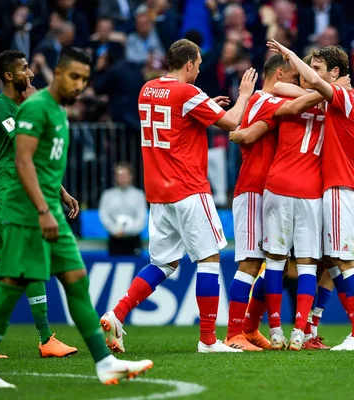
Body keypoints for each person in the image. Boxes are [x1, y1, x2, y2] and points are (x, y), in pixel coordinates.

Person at [0, 47, 153, 388]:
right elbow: (23, 162)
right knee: (11, 282)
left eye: (85, 79)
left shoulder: (56, 112)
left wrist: (61, 195)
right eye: (74, 77)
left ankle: (105, 363)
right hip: (26, 209)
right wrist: (41, 210)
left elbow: (43, 165)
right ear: (59, 74)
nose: (80, 85)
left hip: (49, 207)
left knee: (76, 279)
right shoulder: (33, 108)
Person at [100, 38, 257, 354]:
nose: (199, 69)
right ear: (188, 64)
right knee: (209, 258)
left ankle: (117, 313)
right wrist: (244, 96)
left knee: (165, 262)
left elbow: (174, 118)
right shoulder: (188, 93)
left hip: (158, 194)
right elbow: (231, 122)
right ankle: (209, 340)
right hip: (188, 188)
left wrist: (203, 104)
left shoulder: (148, 89)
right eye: (198, 64)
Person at [0, 50, 78, 360]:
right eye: (26, 69)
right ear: (9, 76)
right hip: (4, 192)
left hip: (9, 191)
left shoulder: (17, 107)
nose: (31, 73)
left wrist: (61, 193)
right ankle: (45, 339)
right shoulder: (0, 106)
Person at [267, 40, 354, 351]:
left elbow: (312, 85)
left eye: (318, 68)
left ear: (335, 72)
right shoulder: (341, 100)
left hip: (341, 190)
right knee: (333, 260)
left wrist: (290, 54)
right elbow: (348, 155)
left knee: (346, 261)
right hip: (341, 186)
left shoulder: (345, 96)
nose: (310, 73)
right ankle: (323, 327)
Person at [224, 54, 336, 351]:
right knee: (252, 262)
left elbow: (254, 130)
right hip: (254, 189)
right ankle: (234, 333)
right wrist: (328, 89)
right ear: (279, 74)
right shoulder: (267, 99)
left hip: (272, 189)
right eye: (293, 76)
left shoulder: (270, 100)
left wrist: (240, 132)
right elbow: (253, 132)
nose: (297, 80)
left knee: (269, 261)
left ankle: (250, 328)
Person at [99, 162, 147, 255]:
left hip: (133, 239)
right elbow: (104, 216)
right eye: (120, 175)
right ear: (115, 177)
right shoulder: (107, 195)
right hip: (114, 238)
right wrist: (115, 230)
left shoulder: (139, 195)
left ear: (131, 176)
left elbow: (141, 217)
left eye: (125, 175)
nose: (122, 178)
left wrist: (128, 231)